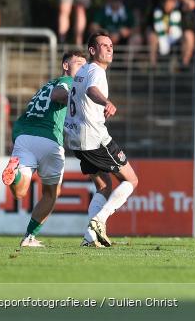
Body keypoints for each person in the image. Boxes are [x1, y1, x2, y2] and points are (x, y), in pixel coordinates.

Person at [1, 50, 87, 247]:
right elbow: (60, 94)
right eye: (78, 64)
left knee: (20, 191)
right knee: (51, 194)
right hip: (49, 140)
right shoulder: (69, 82)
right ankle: (29, 236)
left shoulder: (47, 85)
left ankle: (13, 174)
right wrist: (78, 101)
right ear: (66, 65)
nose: (82, 68)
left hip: (24, 137)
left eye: (85, 65)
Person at [64, 31, 139, 248]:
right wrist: (107, 102)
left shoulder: (84, 70)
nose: (109, 49)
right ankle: (99, 220)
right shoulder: (96, 70)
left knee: (104, 186)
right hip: (94, 138)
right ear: (92, 50)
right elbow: (92, 90)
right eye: (103, 45)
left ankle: (90, 237)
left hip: (76, 140)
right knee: (131, 180)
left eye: (111, 45)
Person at [147, 0, 195, 67]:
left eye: (173, 2)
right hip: (161, 37)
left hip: (177, 38)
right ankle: (153, 67)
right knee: (151, 36)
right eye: (170, 2)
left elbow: (192, 4)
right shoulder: (157, 11)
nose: (172, 4)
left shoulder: (178, 9)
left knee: (189, 35)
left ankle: (184, 65)